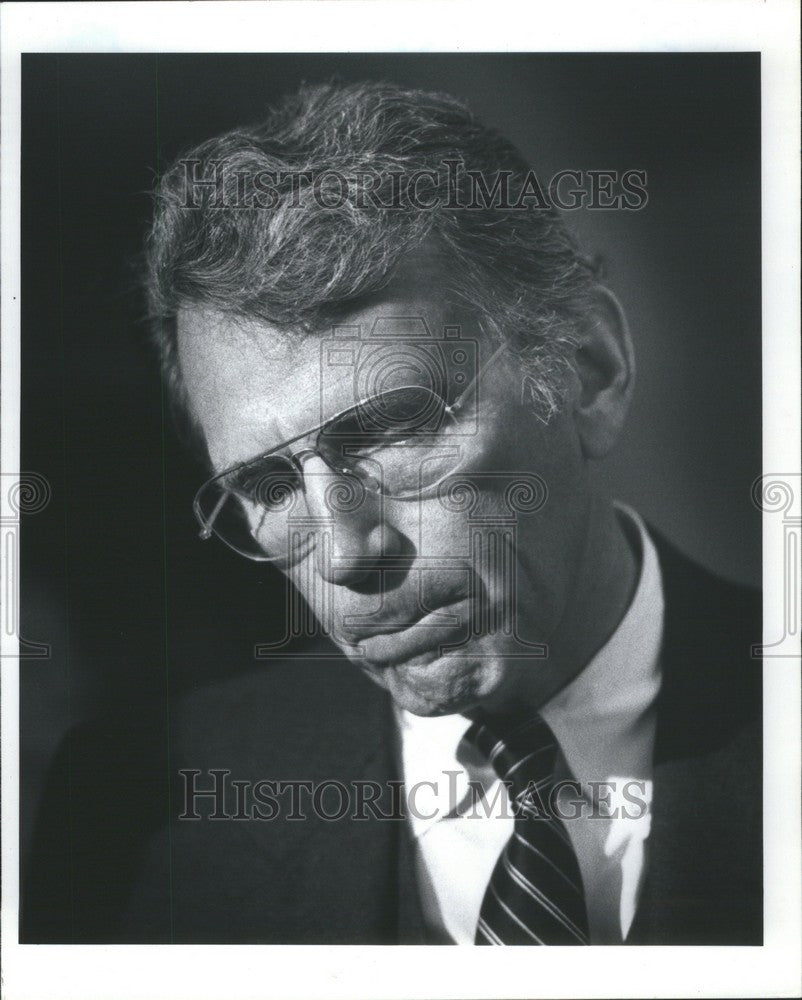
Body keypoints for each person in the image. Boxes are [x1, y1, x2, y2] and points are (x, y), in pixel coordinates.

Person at [23, 80, 761, 946]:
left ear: (587, 371)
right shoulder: (139, 813)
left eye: (393, 428)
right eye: (267, 486)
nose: (344, 553)